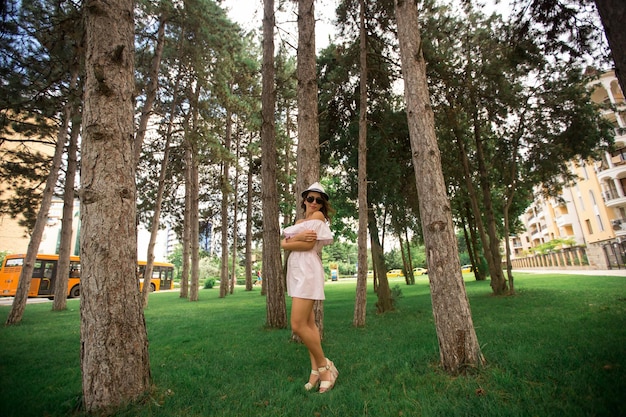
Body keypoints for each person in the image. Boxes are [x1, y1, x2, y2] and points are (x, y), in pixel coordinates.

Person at [281, 182, 339, 393]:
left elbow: (304, 245)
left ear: (322, 204)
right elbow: (283, 244)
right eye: (310, 199)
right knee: (309, 324)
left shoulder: (317, 218)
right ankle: (315, 371)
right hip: (296, 270)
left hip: (307, 270)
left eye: (319, 200)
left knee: (297, 325)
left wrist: (290, 241)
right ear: (304, 200)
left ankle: (325, 367)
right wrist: (291, 240)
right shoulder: (300, 222)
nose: (314, 203)